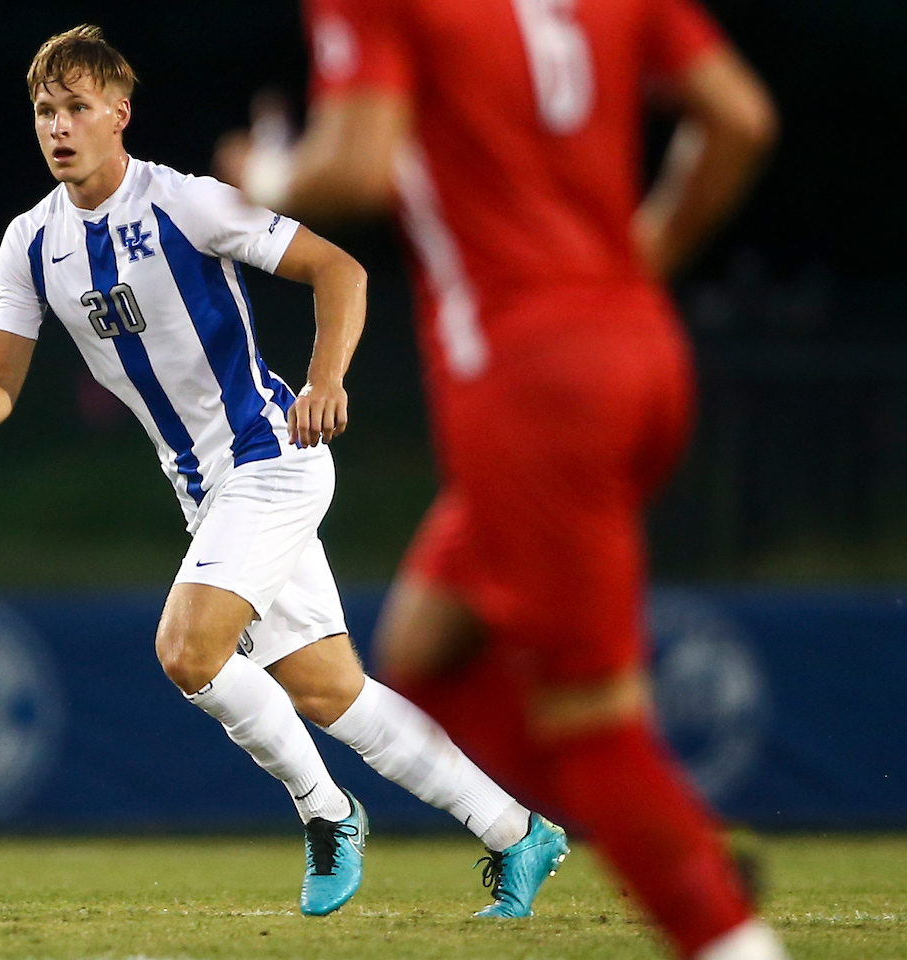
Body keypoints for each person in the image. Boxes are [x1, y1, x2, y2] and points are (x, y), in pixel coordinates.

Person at [0, 24, 567, 919]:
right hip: (207, 494)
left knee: (187, 648)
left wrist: (327, 378)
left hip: (274, 461)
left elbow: (341, 270)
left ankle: (328, 815)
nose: (57, 127)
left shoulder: (187, 204)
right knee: (333, 692)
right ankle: (518, 833)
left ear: (119, 115)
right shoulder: (30, 243)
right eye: (43, 112)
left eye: (75, 108)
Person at [215, 0, 784, 956]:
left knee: (593, 724)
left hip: (529, 390)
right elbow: (740, 118)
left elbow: (352, 166)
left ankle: (711, 904)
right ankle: (667, 831)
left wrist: (262, 173)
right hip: (641, 352)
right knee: (427, 650)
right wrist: (638, 264)